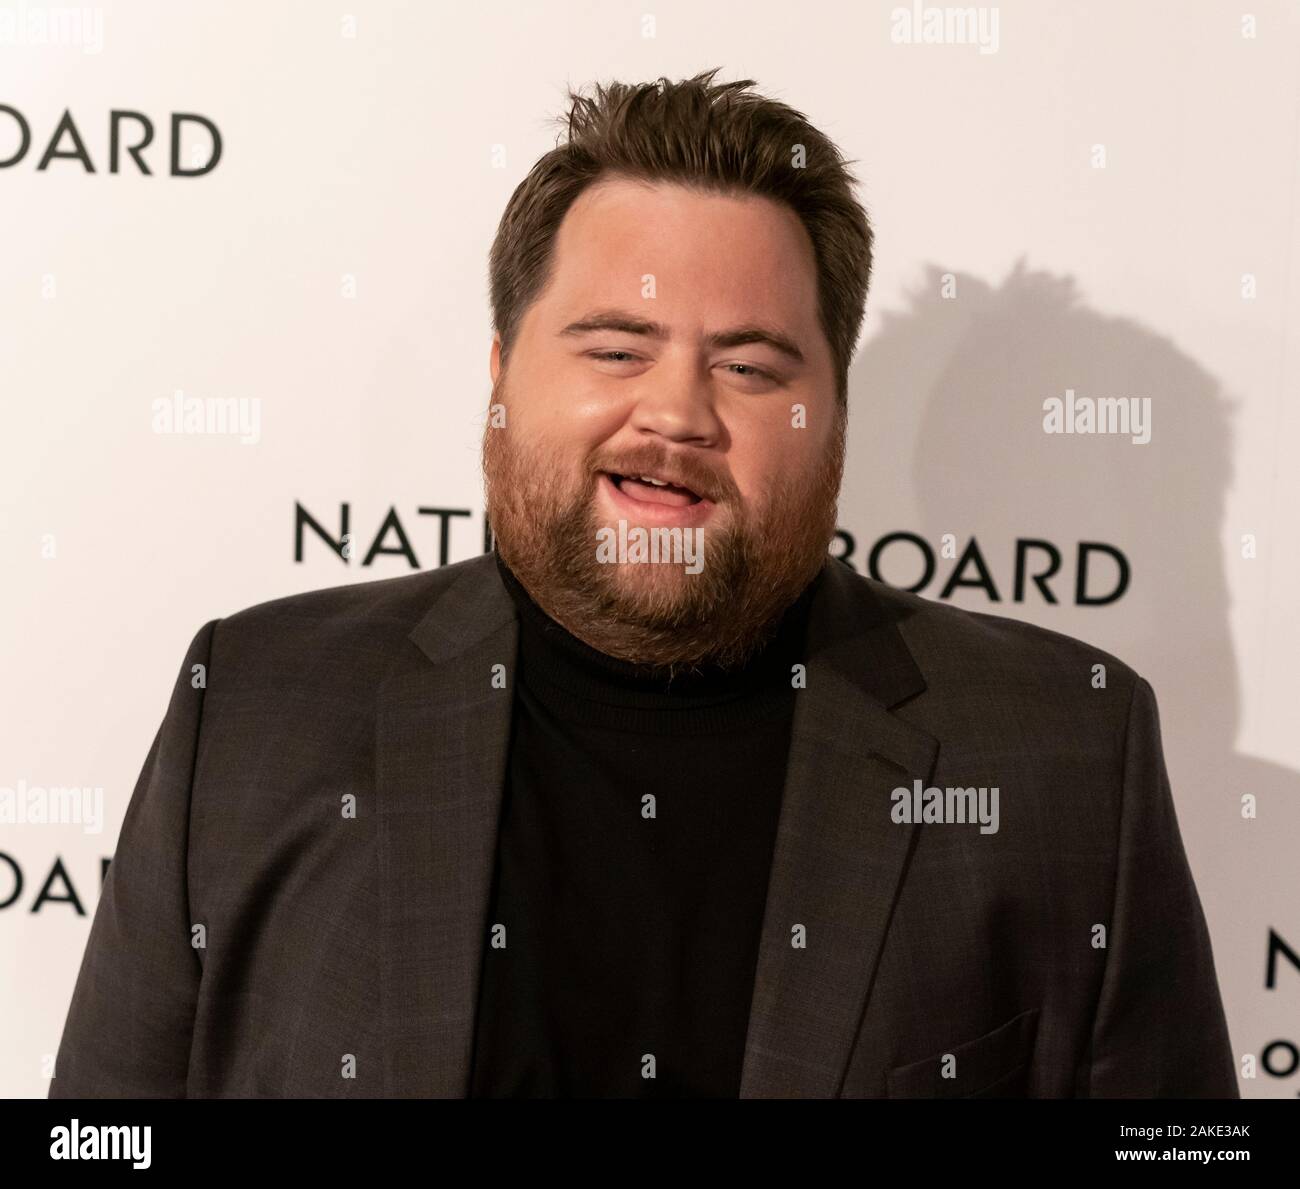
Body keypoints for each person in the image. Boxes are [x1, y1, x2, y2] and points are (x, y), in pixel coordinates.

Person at [49, 68, 1236, 1099]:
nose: (676, 414)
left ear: (831, 418)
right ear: (504, 373)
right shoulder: (254, 707)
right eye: (615, 349)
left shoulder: (1063, 754)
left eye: (752, 364)